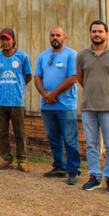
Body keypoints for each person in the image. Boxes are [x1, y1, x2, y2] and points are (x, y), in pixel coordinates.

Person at [76, 20, 109, 194]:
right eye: (94, 31)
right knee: (91, 144)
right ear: (90, 34)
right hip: (88, 107)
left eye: (100, 31)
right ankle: (94, 177)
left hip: (108, 107)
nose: (97, 34)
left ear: (107, 34)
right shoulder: (82, 55)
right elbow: (80, 77)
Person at [34, 27, 80, 185]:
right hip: (48, 106)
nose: (55, 38)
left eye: (58, 35)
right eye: (52, 35)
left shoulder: (71, 55)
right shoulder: (43, 55)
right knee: (54, 138)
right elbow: (37, 78)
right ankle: (59, 167)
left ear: (64, 38)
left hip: (65, 105)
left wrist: (52, 94)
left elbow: (73, 78)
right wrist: (45, 95)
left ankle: (73, 171)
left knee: (70, 139)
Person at [0, 28, 33, 172]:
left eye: (8, 39)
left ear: (14, 40)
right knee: (3, 133)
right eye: (3, 39)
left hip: (17, 101)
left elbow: (28, 76)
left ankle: (22, 160)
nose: (5, 42)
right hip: (0, 101)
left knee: (19, 133)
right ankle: (6, 159)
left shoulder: (22, 56)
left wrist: (18, 87)